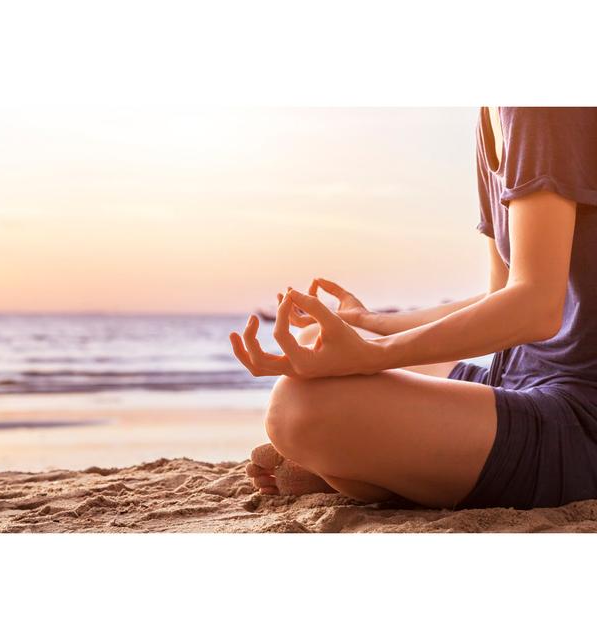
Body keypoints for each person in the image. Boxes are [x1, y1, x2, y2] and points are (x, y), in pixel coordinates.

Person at [229, 107, 597, 510]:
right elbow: (501, 294)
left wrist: (373, 355)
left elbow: (536, 309)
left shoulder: (544, 109)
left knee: (295, 410)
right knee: (315, 341)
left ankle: (371, 468)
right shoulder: (490, 116)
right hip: (513, 379)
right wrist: (370, 324)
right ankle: (379, 465)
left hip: (580, 417)